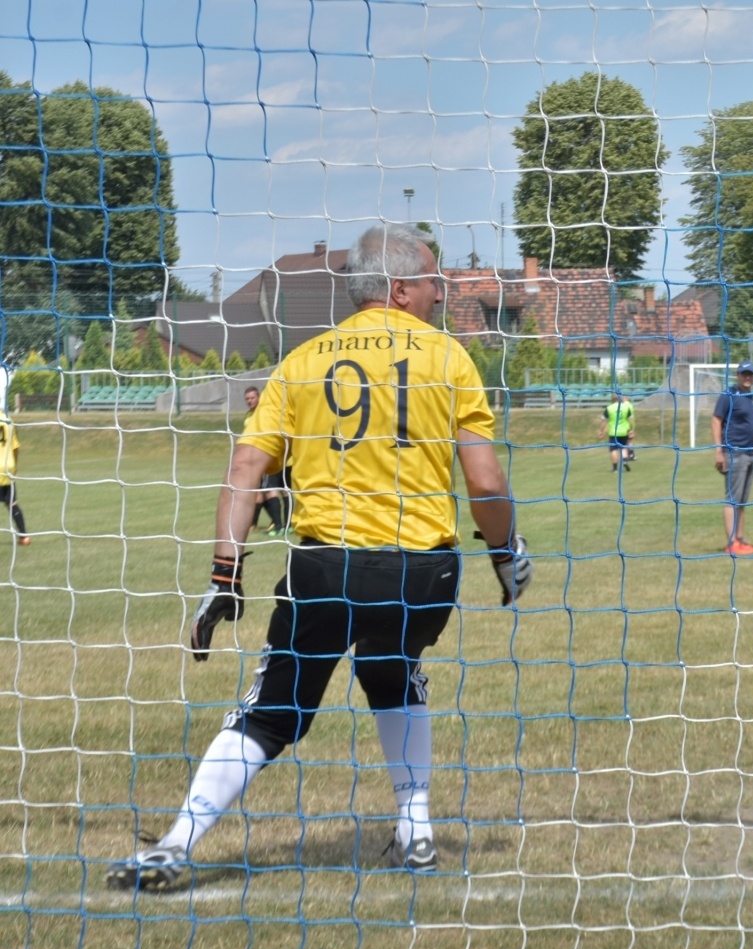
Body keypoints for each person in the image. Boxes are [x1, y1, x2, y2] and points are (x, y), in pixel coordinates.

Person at [106, 223, 530, 892]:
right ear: (398, 289)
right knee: (396, 675)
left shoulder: (302, 361)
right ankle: (415, 833)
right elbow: (485, 483)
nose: (441, 293)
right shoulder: (449, 357)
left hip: (325, 566)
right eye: (431, 281)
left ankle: (176, 843)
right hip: (422, 570)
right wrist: (506, 552)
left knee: (272, 709)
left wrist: (225, 575)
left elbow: (247, 467)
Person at [712, 360, 753, 556]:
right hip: (735, 452)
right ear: (737, 376)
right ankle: (731, 542)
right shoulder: (729, 395)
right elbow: (716, 420)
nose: (747, 377)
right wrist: (719, 450)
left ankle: (740, 540)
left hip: (750, 454)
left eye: (750, 374)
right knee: (732, 499)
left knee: (742, 500)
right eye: (744, 374)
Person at [243, 385, 289, 535]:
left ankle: (279, 525)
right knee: (261, 492)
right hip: (257, 459)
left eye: (252, 398)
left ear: (259, 397)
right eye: (247, 399)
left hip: (269, 457)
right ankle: (274, 523)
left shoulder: (265, 413)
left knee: (271, 490)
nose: (249, 401)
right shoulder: (249, 416)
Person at [0, 414, 28, 545]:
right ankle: (24, 536)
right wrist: (15, 466)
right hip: (8, 467)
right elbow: (16, 447)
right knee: (11, 503)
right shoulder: (8, 419)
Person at [603, 391, 635, 472]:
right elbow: (631, 419)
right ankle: (624, 460)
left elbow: (604, 420)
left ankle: (615, 468)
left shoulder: (609, 408)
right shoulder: (625, 407)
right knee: (623, 447)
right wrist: (632, 430)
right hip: (624, 431)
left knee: (613, 450)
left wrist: (601, 431)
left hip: (613, 432)